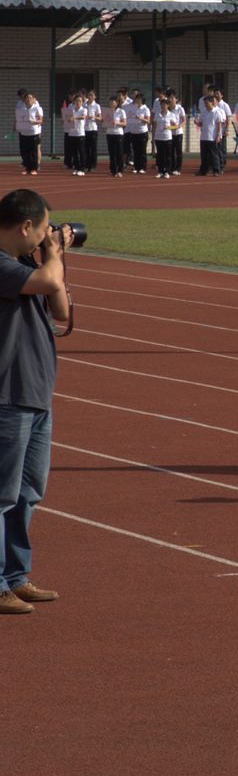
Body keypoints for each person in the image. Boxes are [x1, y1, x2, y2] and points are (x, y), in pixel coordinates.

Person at [0, 190, 70, 616]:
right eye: (43, 229)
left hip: (36, 391)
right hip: (8, 395)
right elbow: (48, 282)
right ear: (26, 226)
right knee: (2, 494)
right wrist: (54, 255)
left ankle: (15, 576)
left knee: (28, 492)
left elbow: (60, 309)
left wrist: (52, 257)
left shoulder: (29, 264)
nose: (48, 236)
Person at [194, 89, 231, 177]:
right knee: (204, 155)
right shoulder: (204, 112)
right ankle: (203, 170)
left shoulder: (217, 112)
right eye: (205, 103)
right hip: (204, 137)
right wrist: (196, 122)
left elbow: (219, 125)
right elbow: (201, 123)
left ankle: (216, 170)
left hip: (212, 137)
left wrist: (218, 135)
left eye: (207, 103)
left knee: (214, 155)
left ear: (212, 102)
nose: (206, 105)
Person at [152, 91, 184, 179]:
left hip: (168, 137)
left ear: (168, 105)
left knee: (168, 156)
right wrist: (153, 137)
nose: (163, 106)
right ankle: (160, 172)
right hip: (158, 137)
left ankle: (167, 171)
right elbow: (154, 125)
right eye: (162, 104)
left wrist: (169, 127)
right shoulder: (157, 115)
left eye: (165, 104)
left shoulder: (171, 115)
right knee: (160, 156)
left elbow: (176, 126)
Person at [14, 90, 41, 177]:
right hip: (24, 132)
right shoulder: (22, 109)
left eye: (30, 98)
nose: (28, 99)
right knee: (25, 151)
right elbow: (18, 118)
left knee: (33, 151)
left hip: (33, 132)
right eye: (27, 98)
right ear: (24, 100)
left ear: (34, 99)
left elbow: (41, 120)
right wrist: (16, 125)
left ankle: (34, 168)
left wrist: (34, 122)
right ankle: (28, 168)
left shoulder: (37, 108)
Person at [104, 89, 131, 178]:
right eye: (110, 102)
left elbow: (125, 123)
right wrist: (105, 122)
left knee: (119, 153)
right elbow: (104, 122)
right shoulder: (107, 111)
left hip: (118, 134)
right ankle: (113, 170)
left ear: (117, 103)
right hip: (109, 133)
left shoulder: (121, 111)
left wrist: (117, 123)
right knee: (112, 153)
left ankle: (119, 170)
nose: (111, 103)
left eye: (113, 102)